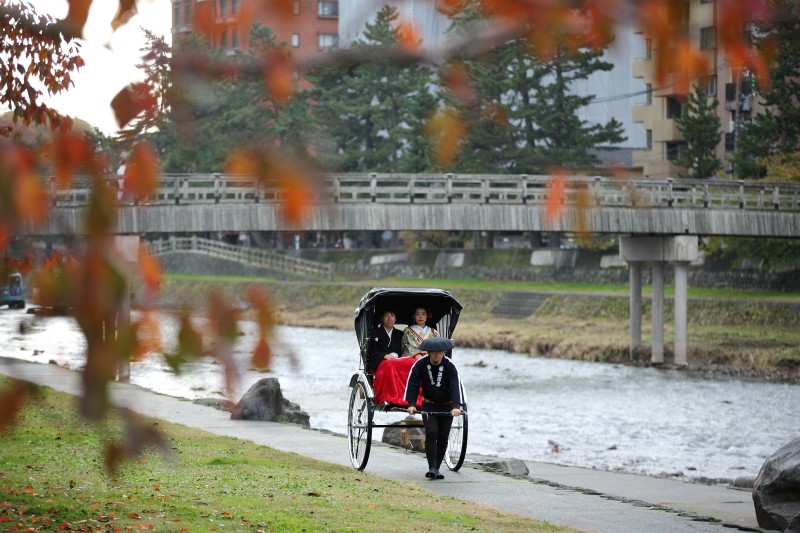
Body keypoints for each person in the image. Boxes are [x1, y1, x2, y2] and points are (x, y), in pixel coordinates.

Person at [404, 337, 463, 480]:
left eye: (440, 352)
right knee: (432, 433)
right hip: (429, 404)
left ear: (444, 352)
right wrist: (411, 404)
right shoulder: (420, 364)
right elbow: (412, 384)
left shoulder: (450, 366)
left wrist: (456, 406)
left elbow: (455, 386)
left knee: (443, 437)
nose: (437, 355)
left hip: (447, 405)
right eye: (434, 352)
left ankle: (437, 467)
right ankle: (432, 467)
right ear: (429, 352)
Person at [368, 309, 421, 407]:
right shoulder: (375, 333)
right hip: (381, 362)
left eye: (392, 316)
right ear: (381, 319)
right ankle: (389, 396)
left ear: (395, 319)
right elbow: (372, 352)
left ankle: (408, 396)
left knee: (410, 364)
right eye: (386, 316)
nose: (389, 319)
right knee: (389, 364)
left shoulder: (400, 334)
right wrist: (384, 356)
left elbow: (404, 350)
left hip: (397, 360)